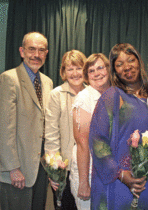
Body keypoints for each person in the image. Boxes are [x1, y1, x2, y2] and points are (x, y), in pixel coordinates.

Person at [0, 32, 53, 210]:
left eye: (41, 50)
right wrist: (13, 168)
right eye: (31, 49)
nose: (36, 54)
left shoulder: (47, 82)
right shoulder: (8, 79)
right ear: (21, 51)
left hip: (40, 167)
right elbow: (3, 129)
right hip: (17, 168)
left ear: (46, 53)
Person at [88, 43, 148, 209]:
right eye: (119, 64)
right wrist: (122, 175)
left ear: (139, 61)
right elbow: (98, 141)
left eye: (131, 60)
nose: (127, 67)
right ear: (114, 70)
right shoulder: (112, 96)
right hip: (117, 181)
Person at [45, 50, 87, 210]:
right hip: (65, 168)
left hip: (87, 168)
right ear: (63, 72)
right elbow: (51, 134)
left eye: (79, 68)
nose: (75, 73)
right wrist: (54, 169)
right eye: (70, 69)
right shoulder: (56, 95)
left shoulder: (93, 94)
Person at [70, 53, 111, 210]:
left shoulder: (115, 94)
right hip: (88, 172)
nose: (97, 73)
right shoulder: (84, 99)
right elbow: (82, 143)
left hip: (109, 172)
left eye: (100, 67)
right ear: (87, 76)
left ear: (108, 69)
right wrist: (83, 182)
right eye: (91, 71)